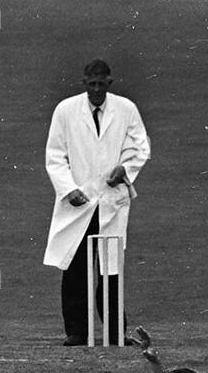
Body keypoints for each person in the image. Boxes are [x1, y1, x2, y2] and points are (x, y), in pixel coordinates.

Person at [44, 59, 150, 346]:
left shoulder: (126, 109)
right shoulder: (65, 111)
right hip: (78, 202)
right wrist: (68, 190)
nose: (96, 90)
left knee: (110, 267)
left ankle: (116, 332)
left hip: (110, 201)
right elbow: (55, 155)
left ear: (109, 83)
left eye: (101, 84)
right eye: (91, 84)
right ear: (84, 83)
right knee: (75, 267)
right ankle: (77, 331)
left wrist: (125, 169)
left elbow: (141, 146)